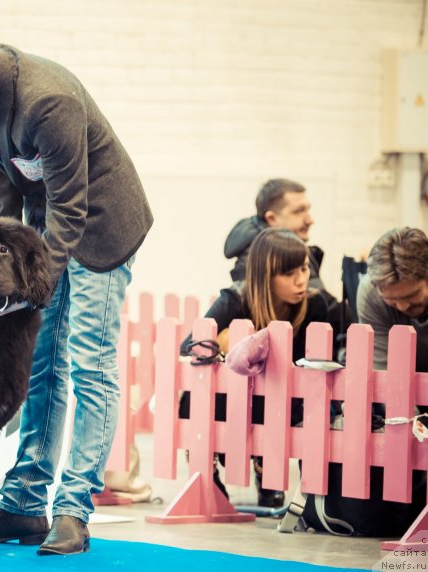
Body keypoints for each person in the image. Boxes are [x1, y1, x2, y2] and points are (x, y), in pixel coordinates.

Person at [0, 12, 153, 556]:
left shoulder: (49, 100)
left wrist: (34, 281)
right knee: (38, 360)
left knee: (87, 360)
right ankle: (23, 503)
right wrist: (0, 256)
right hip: (44, 228)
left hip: (101, 225)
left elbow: (72, 203)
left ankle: (73, 509)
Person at [181, 227, 329, 507]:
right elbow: (189, 347)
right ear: (265, 276)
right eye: (288, 274)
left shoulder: (316, 306)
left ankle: (268, 475)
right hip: (232, 397)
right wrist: (225, 343)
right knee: (196, 397)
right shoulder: (234, 301)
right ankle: (207, 473)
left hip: (285, 399)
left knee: (281, 404)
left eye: (305, 268)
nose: (301, 280)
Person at [224, 178, 347, 354]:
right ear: (272, 218)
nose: (310, 219)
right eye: (298, 211)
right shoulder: (237, 293)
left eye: (304, 268)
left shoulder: (313, 300)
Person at [357, 227, 428, 373]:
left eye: (411, 296)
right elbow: (381, 373)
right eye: (391, 300)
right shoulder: (371, 293)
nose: (402, 307)